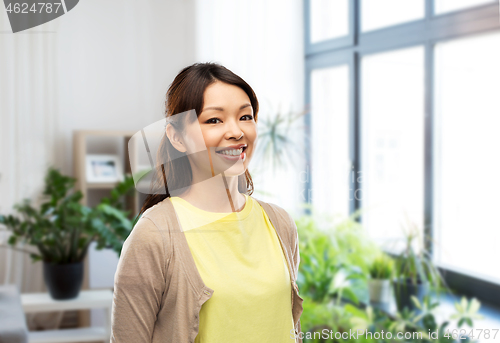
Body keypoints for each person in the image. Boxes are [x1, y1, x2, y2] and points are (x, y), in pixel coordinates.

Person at [110, 62, 303, 343]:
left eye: (246, 117)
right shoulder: (154, 234)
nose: (236, 132)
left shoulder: (279, 222)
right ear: (176, 137)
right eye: (214, 120)